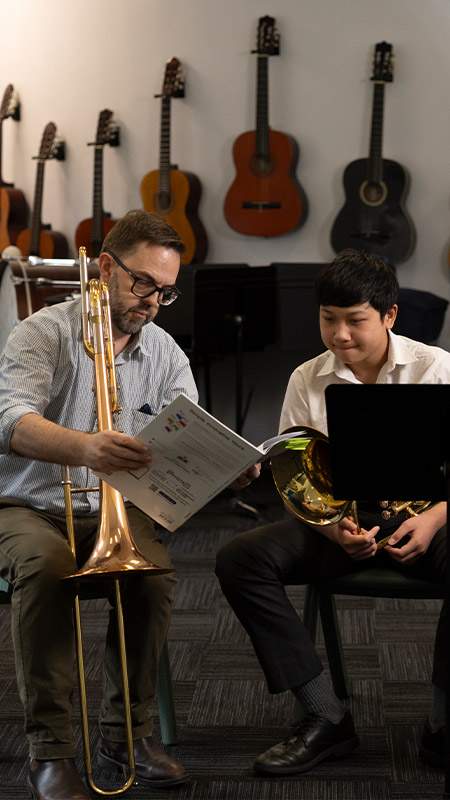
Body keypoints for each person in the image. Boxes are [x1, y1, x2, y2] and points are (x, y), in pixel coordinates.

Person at [0, 209, 258, 800]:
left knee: (155, 576)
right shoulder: (45, 331)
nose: (152, 302)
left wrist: (227, 469)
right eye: (143, 284)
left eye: (165, 293)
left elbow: (187, 434)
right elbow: (10, 422)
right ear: (107, 267)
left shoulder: (164, 350)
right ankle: (53, 748)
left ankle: (126, 735)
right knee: (46, 567)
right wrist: (86, 446)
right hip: (26, 502)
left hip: (116, 507)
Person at [216, 248, 450, 777]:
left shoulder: (436, 367)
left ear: (390, 316)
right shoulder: (307, 378)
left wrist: (434, 519)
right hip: (340, 525)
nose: (340, 334)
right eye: (328, 319)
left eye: (355, 321)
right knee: (239, 558)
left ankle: (443, 725)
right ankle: (325, 717)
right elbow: (297, 480)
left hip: (428, 519)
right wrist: (329, 529)